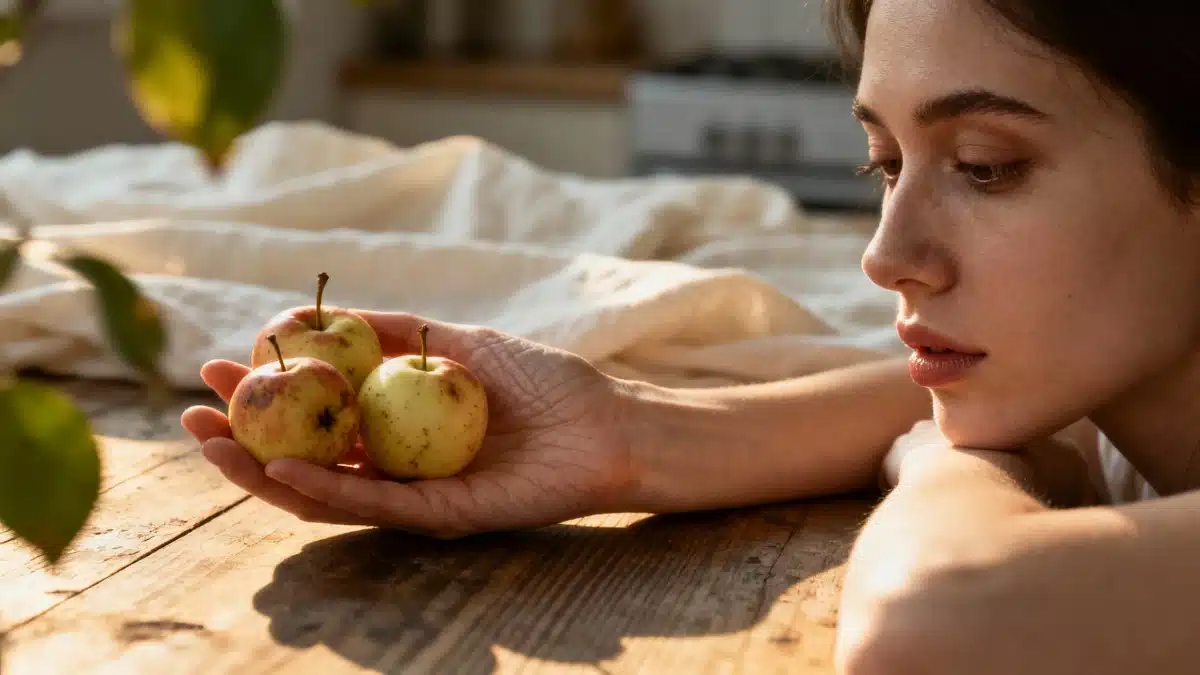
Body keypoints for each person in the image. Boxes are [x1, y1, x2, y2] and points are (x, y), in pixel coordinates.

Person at [181, 0, 1200, 672]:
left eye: (984, 166)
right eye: (883, 163)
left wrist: (945, 459)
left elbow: (941, 623)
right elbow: (934, 396)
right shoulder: (1108, 398)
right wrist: (629, 433)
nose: (887, 256)